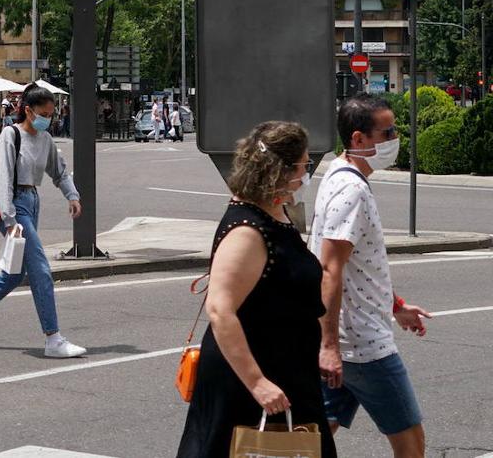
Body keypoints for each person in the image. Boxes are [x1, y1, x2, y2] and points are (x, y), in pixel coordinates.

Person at [176, 121, 336, 458]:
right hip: (252, 381)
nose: (306, 173)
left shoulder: (274, 212)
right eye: (303, 165)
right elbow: (220, 310)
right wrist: (257, 383)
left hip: (287, 372)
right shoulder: (248, 230)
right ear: (280, 171)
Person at [311, 94, 430, 457]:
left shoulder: (337, 173)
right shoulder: (352, 191)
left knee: (314, 436)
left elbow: (358, 266)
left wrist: (395, 305)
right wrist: (329, 346)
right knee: (411, 441)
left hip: (347, 341)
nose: (395, 139)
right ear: (358, 139)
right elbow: (330, 269)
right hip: (362, 346)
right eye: (387, 132)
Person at [0, 85, 86, 358]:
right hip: (14, 205)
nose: (48, 118)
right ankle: (53, 339)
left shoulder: (45, 138)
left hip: (32, 200)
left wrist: (72, 196)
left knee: (14, 275)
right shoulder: (10, 135)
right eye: (43, 113)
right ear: (28, 110)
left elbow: (59, 172)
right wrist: (10, 219)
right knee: (41, 270)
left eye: (51, 114)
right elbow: (3, 179)